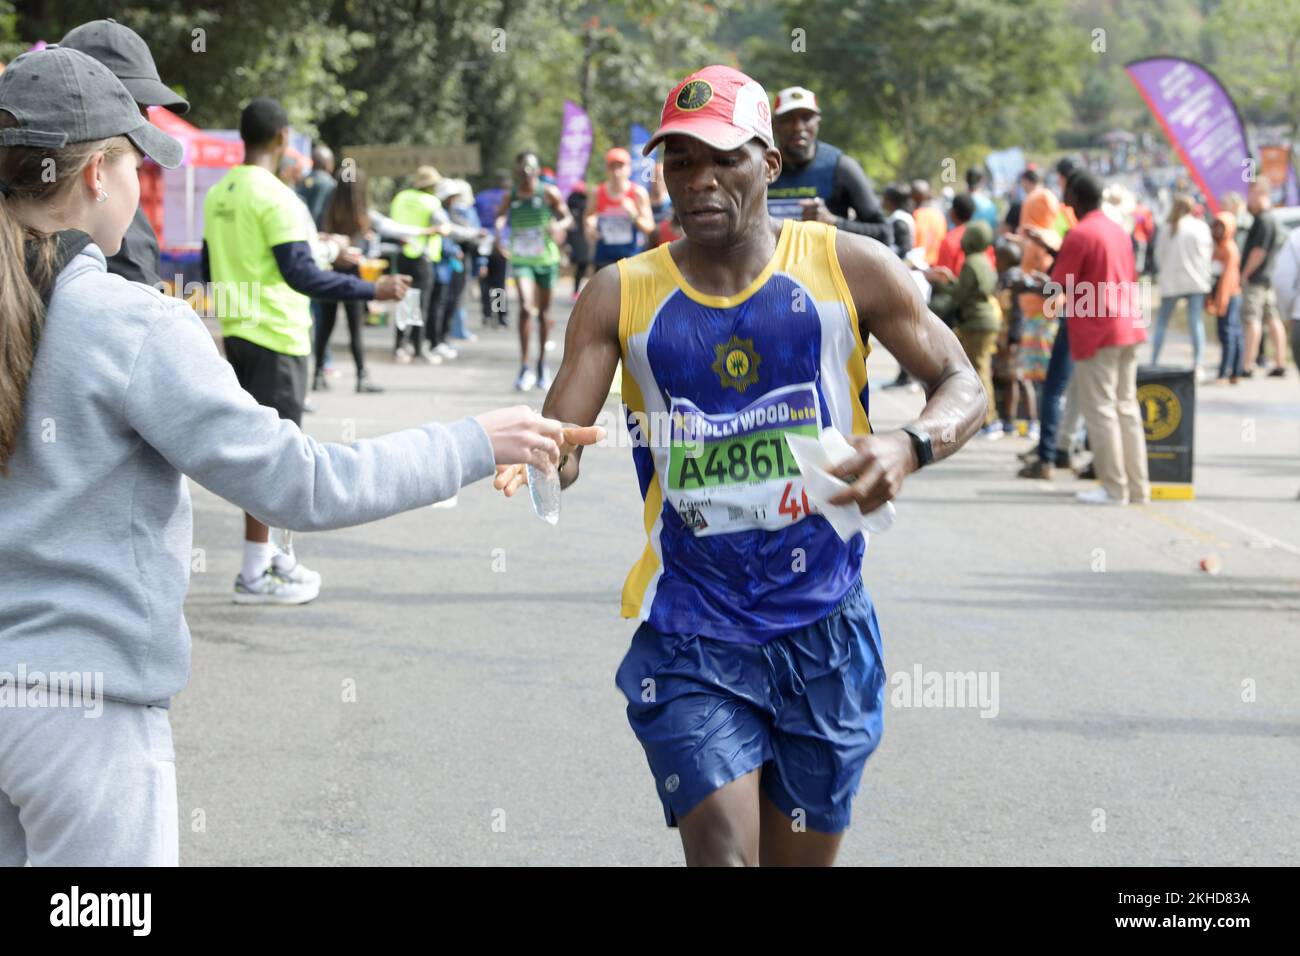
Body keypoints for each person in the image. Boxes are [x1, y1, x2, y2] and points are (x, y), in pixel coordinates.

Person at [0, 44, 599, 867]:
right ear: (97, 174)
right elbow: (304, 485)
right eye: (135, 160)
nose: (142, 181)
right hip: (87, 730)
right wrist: (475, 440)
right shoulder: (132, 324)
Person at [494, 65, 985, 867]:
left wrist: (910, 444)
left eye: (724, 157)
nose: (700, 179)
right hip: (693, 631)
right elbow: (565, 435)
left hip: (825, 627)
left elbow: (962, 381)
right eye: (681, 160)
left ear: (770, 163)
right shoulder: (618, 295)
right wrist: (543, 455)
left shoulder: (852, 266)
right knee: (724, 856)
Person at [201, 97, 412, 604]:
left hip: (239, 333)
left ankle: (275, 560)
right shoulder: (278, 197)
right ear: (282, 138)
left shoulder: (220, 193)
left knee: (265, 456)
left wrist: (323, 249)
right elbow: (299, 275)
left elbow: (210, 268)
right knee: (276, 461)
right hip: (278, 337)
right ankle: (257, 572)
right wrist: (372, 289)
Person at [60, 18, 189, 289]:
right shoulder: (115, 220)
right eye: (134, 106)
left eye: (145, 108)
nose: (145, 122)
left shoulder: (24, 191)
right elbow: (145, 302)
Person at [1045, 170, 1149, 505]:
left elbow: (1058, 286)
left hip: (1097, 331)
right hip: (1129, 325)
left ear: (1074, 198)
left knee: (1101, 411)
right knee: (1126, 408)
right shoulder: (1119, 230)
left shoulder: (1080, 234)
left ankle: (1114, 488)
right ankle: (1138, 488)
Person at [314, 167, 441, 393]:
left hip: (329, 274)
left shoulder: (328, 210)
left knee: (325, 327)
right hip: (353, 276)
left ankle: (317, 375)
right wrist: (425, 231)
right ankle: (361, 377)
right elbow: (392, 228)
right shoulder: (364, 214)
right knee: (355, 328)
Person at [767, 85, 892, 247]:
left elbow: (885, 233)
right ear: (774, 124)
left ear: (817, 121)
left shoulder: (841, 167)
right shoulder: (762, 167)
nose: (798, 127)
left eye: (806, 118)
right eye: (788, 119)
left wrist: (833, 223)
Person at [495, 150, 573, 392]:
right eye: (523, 169)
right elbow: (500, 217)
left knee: (544, 313)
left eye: (531, 168)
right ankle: (524, 366)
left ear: (538, 170)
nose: (527, 173)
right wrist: (498, 233)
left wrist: (558, 226)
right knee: (527, 308)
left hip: (546, 259)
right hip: (522, 259)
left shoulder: (548, 192)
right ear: (517, 171)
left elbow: (567, 218)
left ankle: (542, 365)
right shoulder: (511, 195)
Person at [389, 165, 452, 364]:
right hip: (422, 258)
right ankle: (418, 348)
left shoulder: (400, 197)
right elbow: (444, 228)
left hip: (402, 255)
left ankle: (399, 346)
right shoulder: (431, 202)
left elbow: (393, 224)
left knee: (405, 300)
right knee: (421, 304)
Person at [948, 221, 1002, 437]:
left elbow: (960, 294)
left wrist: (943, 283)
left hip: (976, 321)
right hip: (987, 320)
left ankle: (988, 420)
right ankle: (988, 418)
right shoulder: (986, 260)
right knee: (982, 368)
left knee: (980, 371)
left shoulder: (970, 262)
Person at [1149, 194, 1212, 379]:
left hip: (1172, 281)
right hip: (1195, 280)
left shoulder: (1167, 228)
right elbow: (1206, 255)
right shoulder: (1199, 227)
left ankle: (1154, 360)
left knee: (1162, 322)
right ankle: (1198, 363)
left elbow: (1159, 255)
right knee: (1195, 322)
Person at [1240, 179, 1287, 378]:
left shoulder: (1263, 220)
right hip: (1267, 278)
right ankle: (1279, 362)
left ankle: (1247, 365)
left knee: (1252, 320)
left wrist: (1245, 273)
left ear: (1260, 193)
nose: (1249, 200)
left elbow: (1258, 252)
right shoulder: (1271, 218)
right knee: (1272, 318)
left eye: (1251, 195)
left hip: (1257, 279)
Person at [586, 146, 654, 272]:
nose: (616, 172)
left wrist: (633, 214)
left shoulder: (638, 193)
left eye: (620, 167)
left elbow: (649, 228)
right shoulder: (597, 193)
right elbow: (589, 218)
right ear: (607, 170)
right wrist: (590, 227)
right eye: (612, 167)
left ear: (629, 169)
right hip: (604, 257)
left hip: (631, 258)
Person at [1206, 211, 1243, 385]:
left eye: (1222, 227)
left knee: (1229, 334)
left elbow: (1226, 279)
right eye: (1217, 227)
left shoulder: (1229, 249)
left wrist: (1221, 302)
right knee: (1229, 334)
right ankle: (1234, 372)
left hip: (1229, 296)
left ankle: (1226, 372)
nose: (1219, 230)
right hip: (1221, 295)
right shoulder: (1218, 247)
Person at [475, 169, 511, 328]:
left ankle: (487, 315)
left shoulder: (481, 196)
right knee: (499, 283)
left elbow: (474, 218)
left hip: (483, 241)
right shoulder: (508, 197)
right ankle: (500, 315)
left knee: (484, 281)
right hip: (502, 242)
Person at [297, 144, 336, 229]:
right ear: (328, 163)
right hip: (318, 230)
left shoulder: (303, 180)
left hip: (299, 227)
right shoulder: (330, 183)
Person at [911, 179, 947, 266]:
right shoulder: (939, 215)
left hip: (917, 266)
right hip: (936, 266)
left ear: (913, 197)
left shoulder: (915, 216)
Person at [565, 181, 591, 298]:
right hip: (582, 237)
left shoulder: (568, 203)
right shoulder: (584, 203)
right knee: (583, 264)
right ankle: (578, 291)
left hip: (573, 237)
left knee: (580, 265)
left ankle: (576, 291)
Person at [881, 183, 915, 259]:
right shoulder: (899, 215)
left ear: (892, 201)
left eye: (885, 198)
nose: (882, 201)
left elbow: (904, 247)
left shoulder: (899, 219)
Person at [965, 167, 998, 231]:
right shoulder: (989, 206)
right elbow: (992, 230)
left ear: (966, 179)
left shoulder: (957, 203)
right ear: (983, 180)